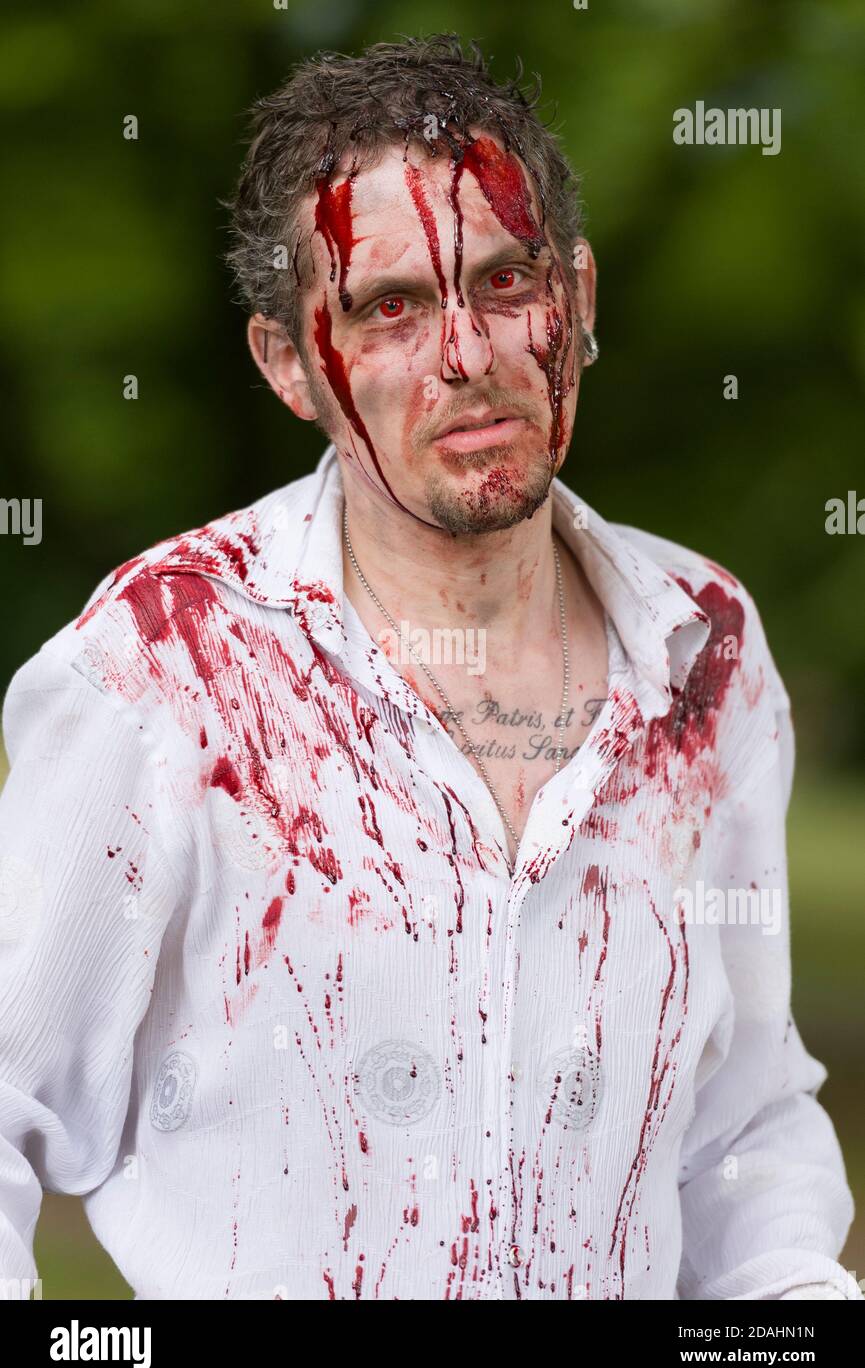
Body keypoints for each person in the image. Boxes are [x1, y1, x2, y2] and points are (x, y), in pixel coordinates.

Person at [0, 33, 859, 1301]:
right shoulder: (167, 663)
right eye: (388, 306)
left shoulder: (705, 652)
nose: (468, 355)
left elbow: (736, 1126)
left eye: (507, 282)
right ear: (287, 363)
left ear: (578, 297)